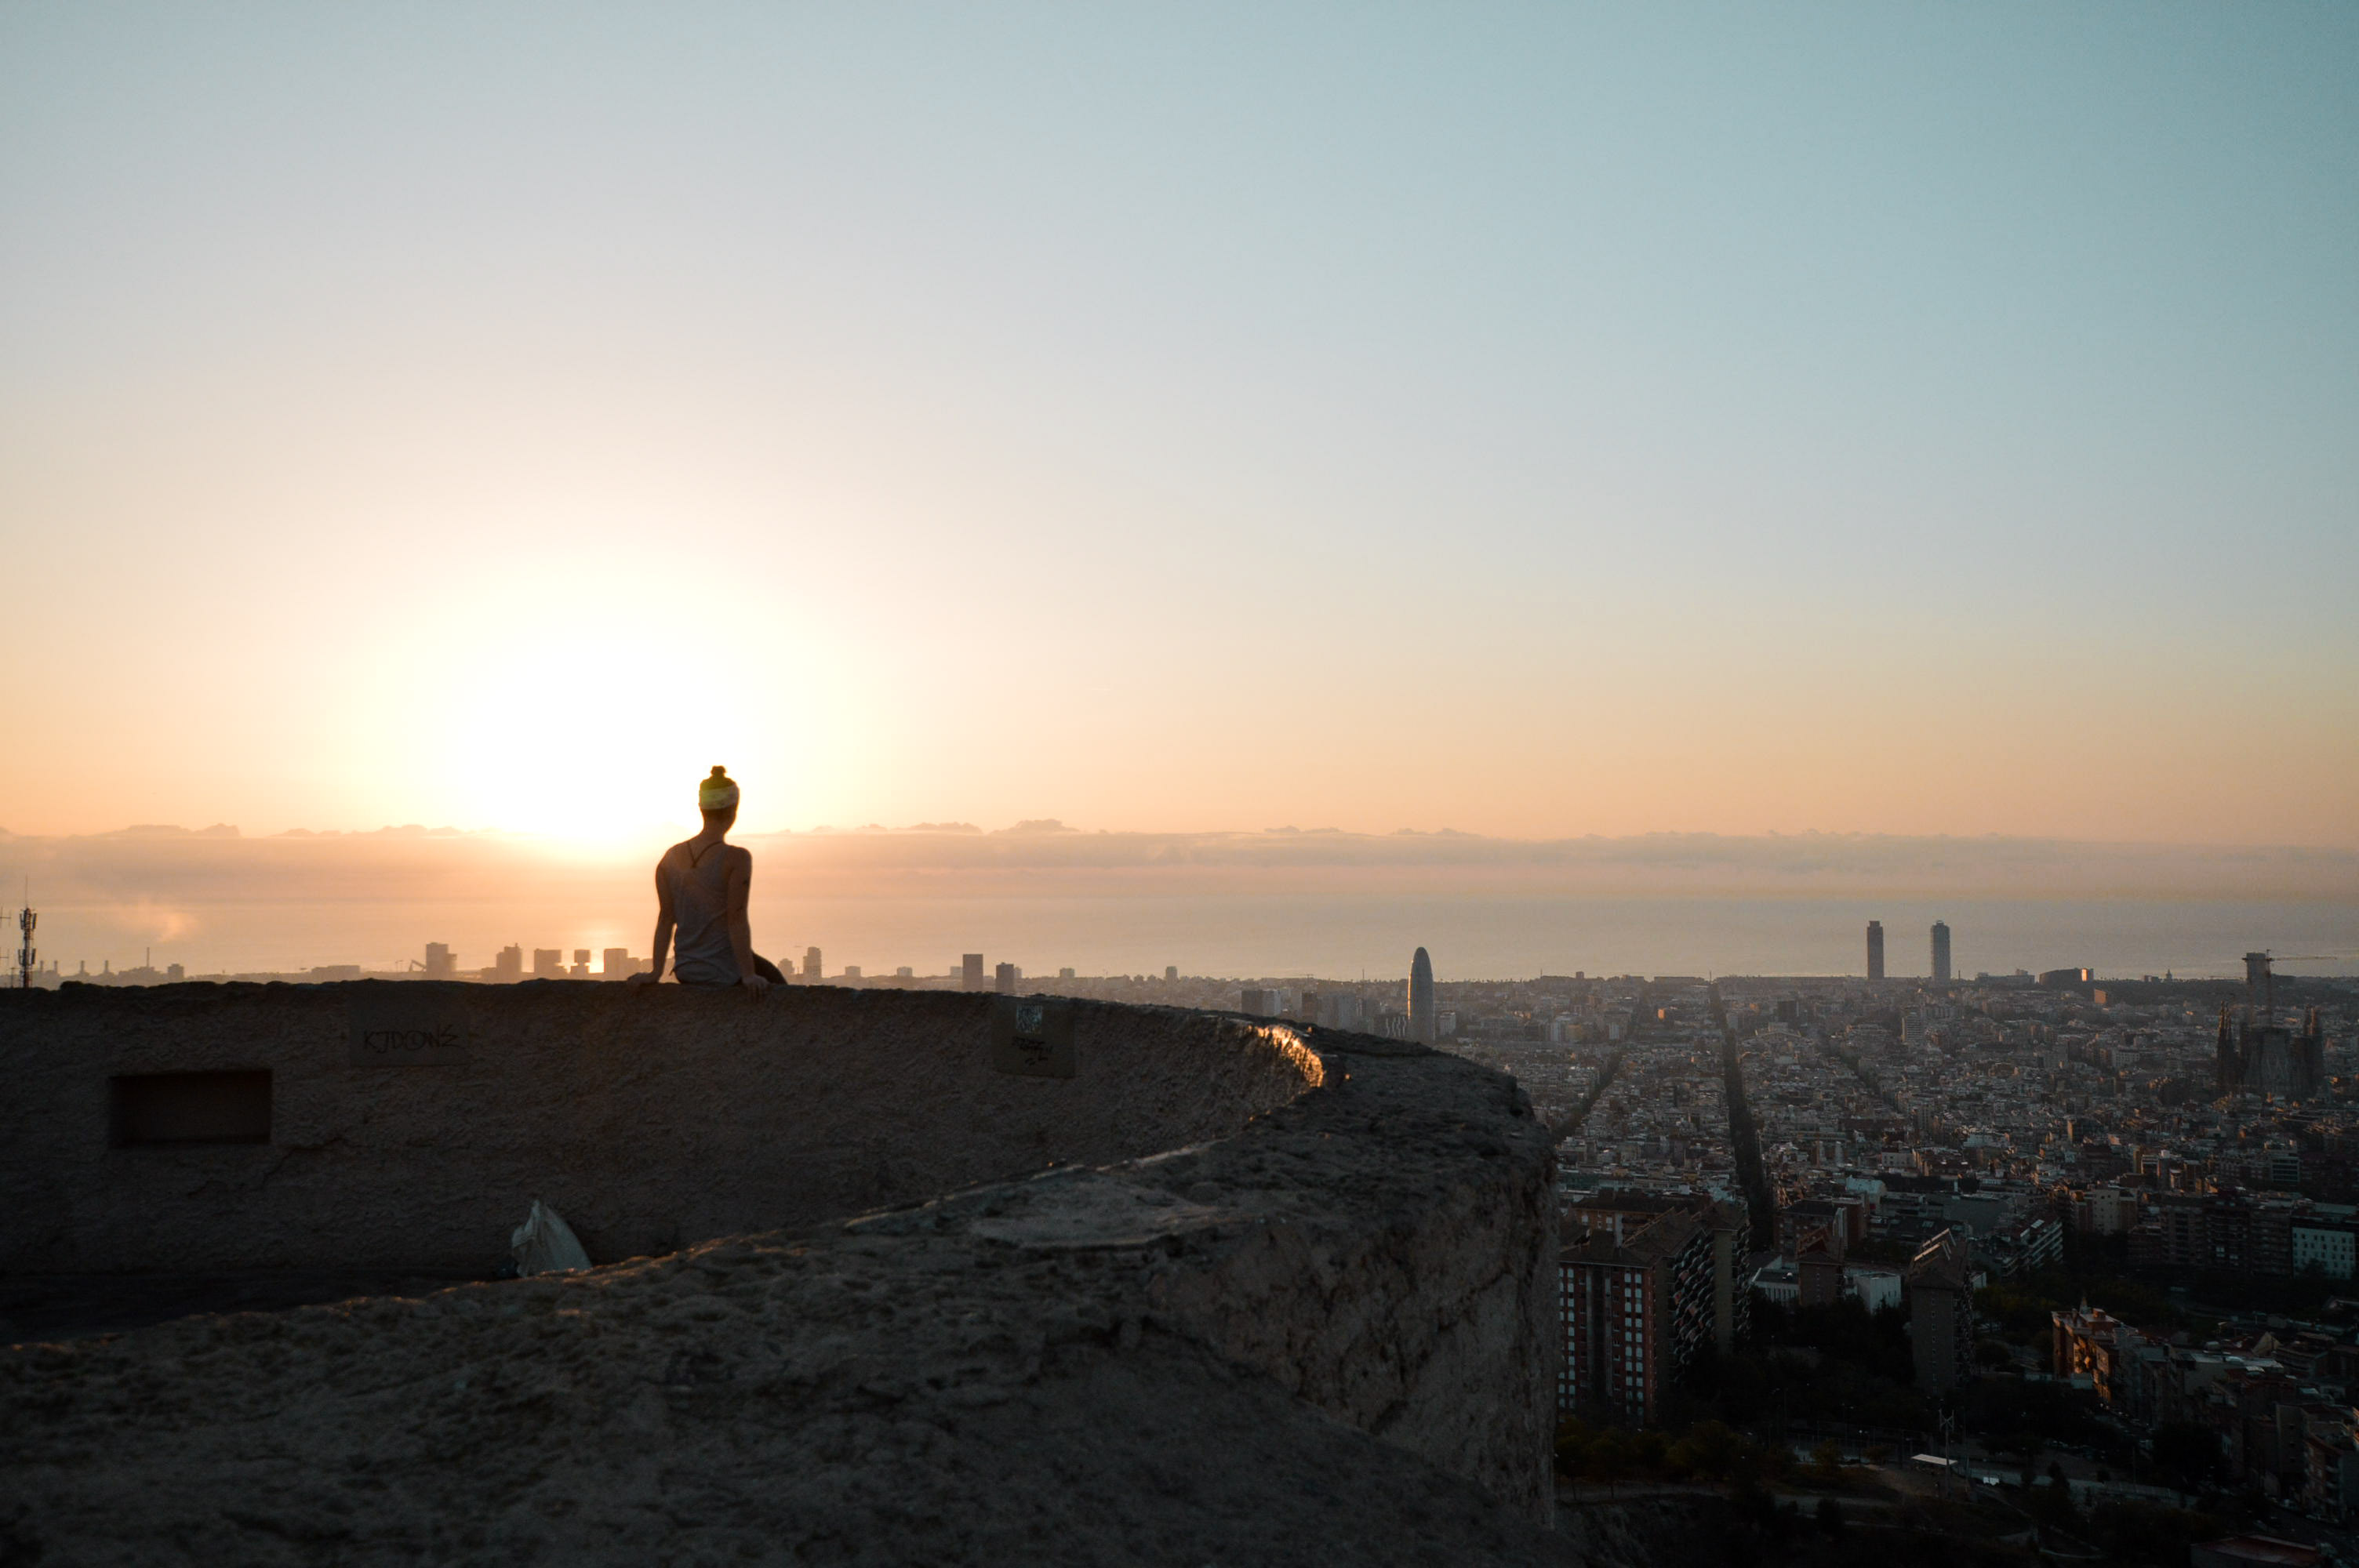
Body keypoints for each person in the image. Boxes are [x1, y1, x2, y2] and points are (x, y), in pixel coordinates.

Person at [629, 766, 784, 993]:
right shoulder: (737, 859)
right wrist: (749, 975)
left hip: (686, 970)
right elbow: (736, 920)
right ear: (733, 811)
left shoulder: (670, 858)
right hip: (724, 971)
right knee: (780, 987)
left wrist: (655, 972)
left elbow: (666, 919)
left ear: (701, 809)